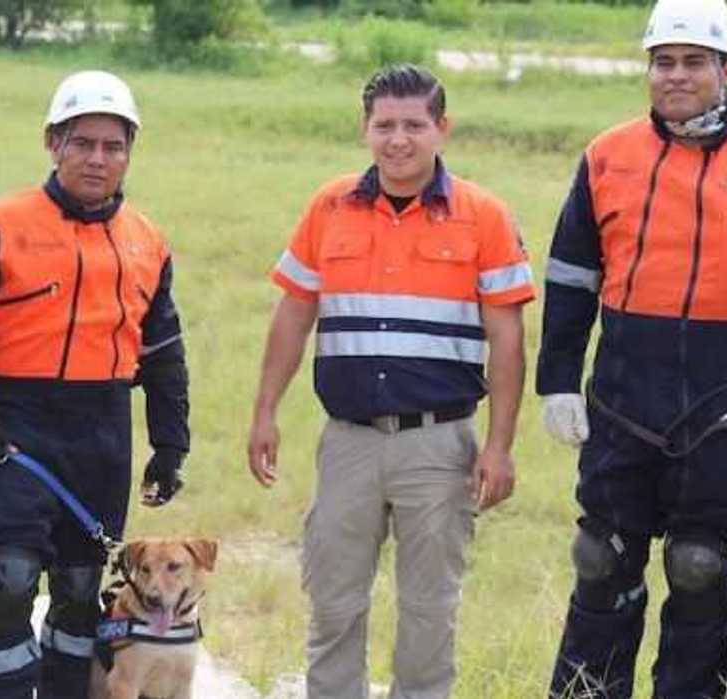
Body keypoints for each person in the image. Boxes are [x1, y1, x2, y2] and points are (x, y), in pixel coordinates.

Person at [537, 0, 727, 696]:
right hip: (622, 395)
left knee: (698, 564)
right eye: (662, 62)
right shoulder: (605, 156)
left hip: (725, 405)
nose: (675, 76)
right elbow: (571, 279)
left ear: (726, 69)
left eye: (693, 62)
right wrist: (557, 380)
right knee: (601, 558)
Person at [246, 64, 534, 699]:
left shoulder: (483, 216)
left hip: (437, 447)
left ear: (442, 128)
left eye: (413, 125)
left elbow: (508, 342)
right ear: (365, 129)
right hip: (347, 443)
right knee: (333, 604)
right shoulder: (329, 206)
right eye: (384, 126)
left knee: (429, 613)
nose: (397, 140)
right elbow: (294, 313)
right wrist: (265, 410)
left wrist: (499, 445)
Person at [0, 70, 190, 699]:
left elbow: (166, 357)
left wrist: (170, 446)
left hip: (103, 434)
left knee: (78, 591)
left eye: (113, 146)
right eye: (83, 142)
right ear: (53, 143)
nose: (99, 158)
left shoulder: (149, 241)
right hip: (15, 427)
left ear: (129, 153)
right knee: (12, 579)